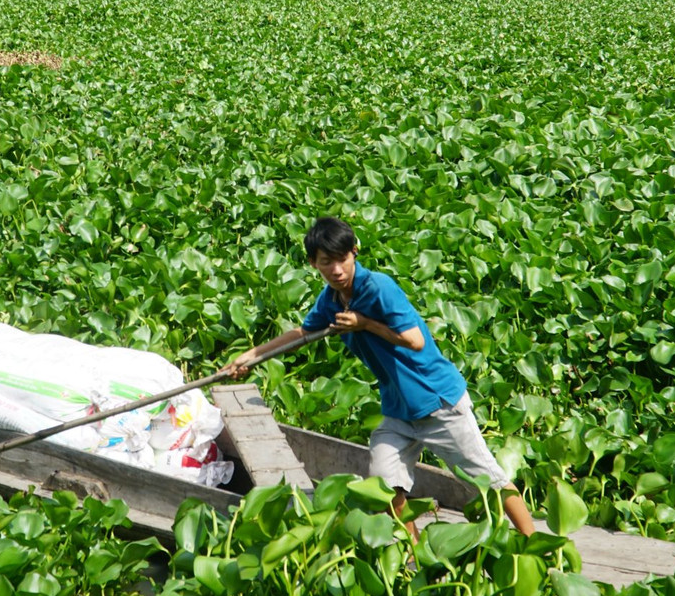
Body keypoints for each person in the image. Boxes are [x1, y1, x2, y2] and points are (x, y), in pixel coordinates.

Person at [221, 216, 535, 537]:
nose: (337, 270)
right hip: (398, 409)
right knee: (385, 483)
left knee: (488, 477)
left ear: (355, 252)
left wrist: (365, 323)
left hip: (437, 401)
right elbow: (303, 332)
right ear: (313, 263)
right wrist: (249, 357)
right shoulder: (330, 300)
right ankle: (414, 555)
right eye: (326, 262)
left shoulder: (379, 288)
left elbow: (415, 340)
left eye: (342, 259)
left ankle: (535, 544)